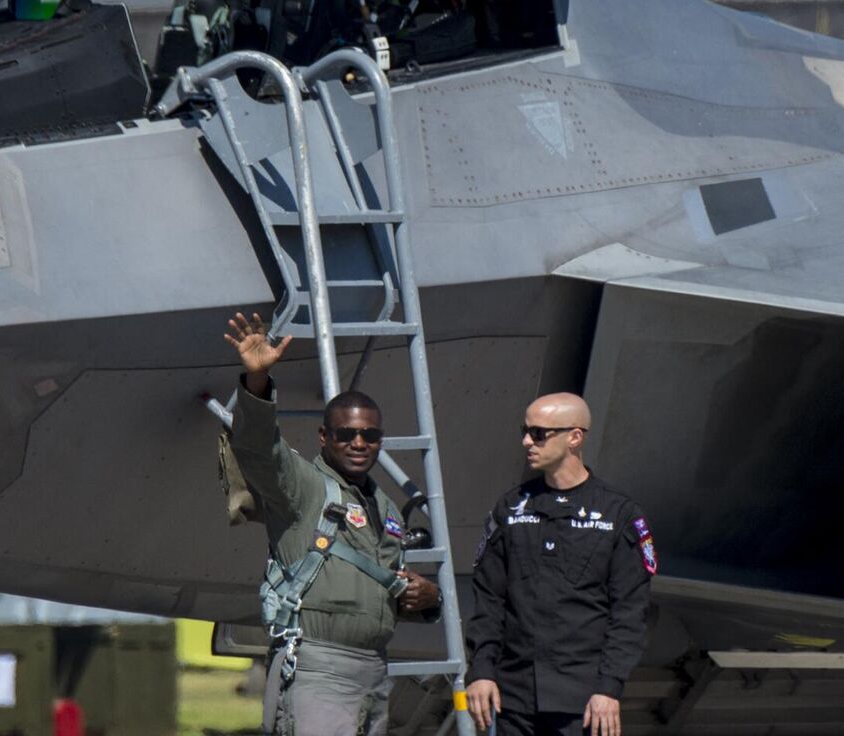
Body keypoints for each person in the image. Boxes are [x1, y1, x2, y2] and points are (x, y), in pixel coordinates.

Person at [222, 312, 442, 736]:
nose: (359, 443)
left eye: (370, 435)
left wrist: (428, 598)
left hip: (373, 669)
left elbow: (375, 592)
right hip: (318, 669)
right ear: (324, 437)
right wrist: (257, 384)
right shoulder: (303, 487)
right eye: (346, 434)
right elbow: (258, 449)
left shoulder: (387, 510)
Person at [464, 393, 651, 736]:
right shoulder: (511, 507)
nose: (526, 442)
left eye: (538, 433)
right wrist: (481, 670)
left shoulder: (618, 514)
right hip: (513, 698)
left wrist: (609, 687)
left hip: (582, 702)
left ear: (575, 437)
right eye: (525, 430)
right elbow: (489, 599)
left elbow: (629, 611)